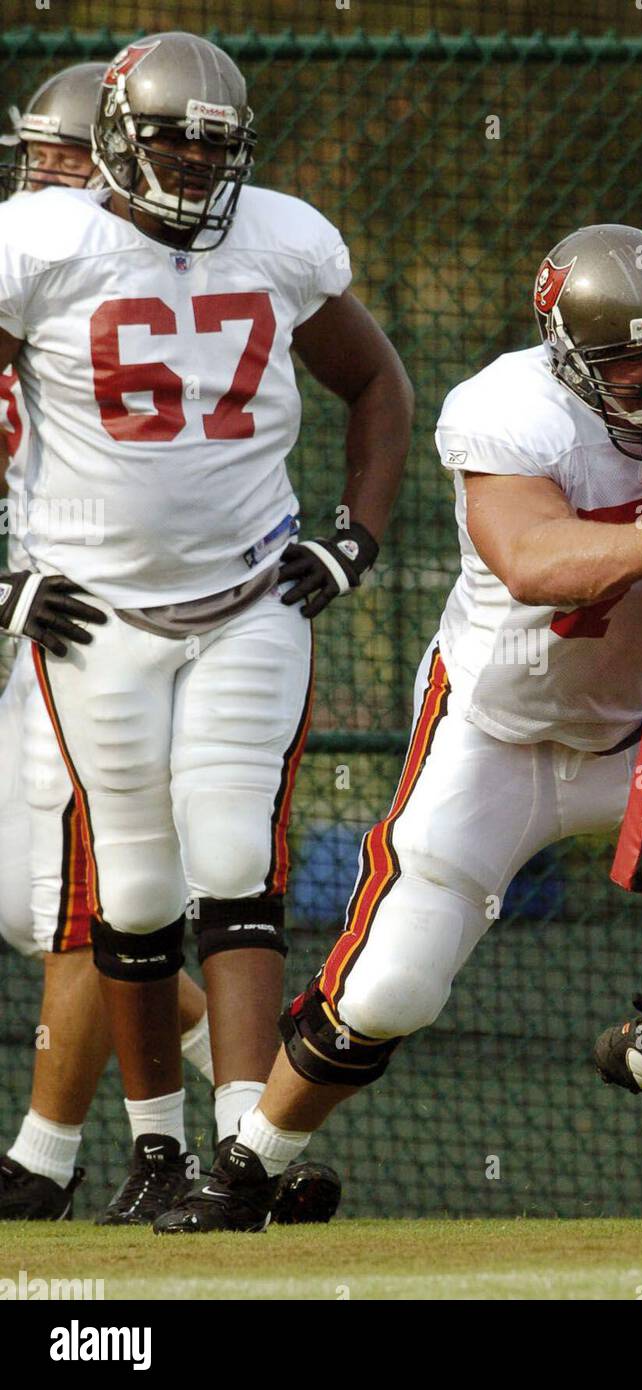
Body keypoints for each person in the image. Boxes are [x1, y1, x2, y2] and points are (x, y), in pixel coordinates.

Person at [155, 221, 642, 1232]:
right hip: (495, 732)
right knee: (390, 987)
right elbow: (530, 556)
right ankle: (247, 1172)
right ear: (570, 359)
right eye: (630, 359)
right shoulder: (509, 408)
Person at [0, 32, 413, 1225]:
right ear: (116, 143)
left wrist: (355, 533)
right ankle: (156, 1153)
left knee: (234, 860)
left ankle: (245, 1154)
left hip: (252, 595)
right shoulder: (44, 241)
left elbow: (375, 382)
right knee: (128, 888)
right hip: (95, 610)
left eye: (213, 144)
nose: (191, 162)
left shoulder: (280, 237)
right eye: (173, 137)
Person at [0, 61, 214, 1223]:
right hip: (38, 606)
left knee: (79, 896)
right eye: (34, 155)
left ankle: (53, 1154)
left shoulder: (148, 280)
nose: (42, 180)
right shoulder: (37, 265)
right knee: (42, 902)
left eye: (66, 158)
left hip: (100, 622)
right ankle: (264, 1066)